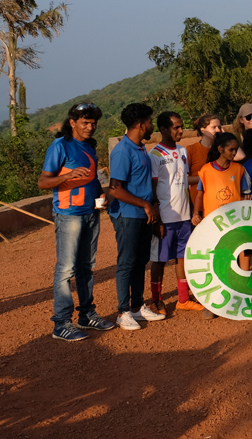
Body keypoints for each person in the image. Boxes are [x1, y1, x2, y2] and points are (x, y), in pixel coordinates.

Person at [40, 102, 114, 341]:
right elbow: (43, 182)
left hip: (90, 213)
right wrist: (69, 175)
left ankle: (86, 315)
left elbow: (91, 178)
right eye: (85, 123)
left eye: (93, 123)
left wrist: (99, 194)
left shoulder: (89, 147)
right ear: (72, 123)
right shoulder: (60, 146)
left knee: (86, 267)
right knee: (65, 269)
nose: (90, 127)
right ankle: (61, 323)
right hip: (68, 214)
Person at [107, 103, 166, 330]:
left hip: (143, 215)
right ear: (141, 125)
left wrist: (152, 206)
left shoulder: (140, 148)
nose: (152, 126)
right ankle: (123, 312)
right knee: (127, 262)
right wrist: (145, 204)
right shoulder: (122, 151)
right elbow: (115, 189)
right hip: (128, 215)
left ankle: (137, 306)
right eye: (150, 122)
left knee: (141, 260)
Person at [148, 111, 199, 314]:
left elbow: (184, 182)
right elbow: (152, 188)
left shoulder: (183, 151)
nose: (181, 130)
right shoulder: (155, 155)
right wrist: (156, 218)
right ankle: (156, 300)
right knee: (159, 259)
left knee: (182, 257)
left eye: (182, 126)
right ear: (163, 129)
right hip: (165, 217)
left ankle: (183, 299)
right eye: (176, 127)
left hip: (184, 216)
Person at [195, 132, 252, 217]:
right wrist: (195, 213)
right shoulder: (206, 170)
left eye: (236, 150)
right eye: (231, 149)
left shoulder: (239, 169)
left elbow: (244, 195)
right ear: (220, 149)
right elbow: (199, 195)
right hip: (212, 218)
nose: (234, 153)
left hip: (234, 218)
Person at [186, 114, 221, 200]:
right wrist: (206, 177)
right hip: (198, 200)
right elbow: (184, 180)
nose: (218, 130)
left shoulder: (222, 149)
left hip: (218, 199)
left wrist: (223, 134)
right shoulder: (191, 149)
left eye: (219, 127)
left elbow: (240, 156)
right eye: (214, 127)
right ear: (203, 130)